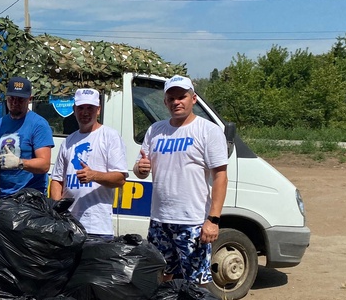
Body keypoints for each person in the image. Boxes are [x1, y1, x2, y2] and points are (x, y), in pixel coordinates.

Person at [134, 75, 228, 285]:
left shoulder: (208, 131)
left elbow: (220, 176)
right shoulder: (155, 131)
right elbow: (140, 169)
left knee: (195, 284)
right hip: (160, 220)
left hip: (192, 222)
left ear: (193, 99)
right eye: (171, 98)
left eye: (182, 97)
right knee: (162, 277)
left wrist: (213, 220)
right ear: (165, 102)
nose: (177, 102)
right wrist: (140, 168)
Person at [50, 88, 128, 239]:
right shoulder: (68, 141)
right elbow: (57, 180)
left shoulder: (110, 136)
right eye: (81, 108)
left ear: (98, 110)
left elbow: (120, 179)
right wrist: (57, 212)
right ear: (74, 110)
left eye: (90, 108)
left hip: (97, 227)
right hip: (68, 226)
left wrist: (94, 175)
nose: (85, 113)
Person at [0, 76, 54, 202]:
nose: (15, 103)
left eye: (20, 99)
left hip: (31, 197)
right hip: (5, 197)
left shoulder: (38, 124)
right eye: (12, 98)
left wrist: (20, 163)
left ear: (29, 99)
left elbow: (44, 164)